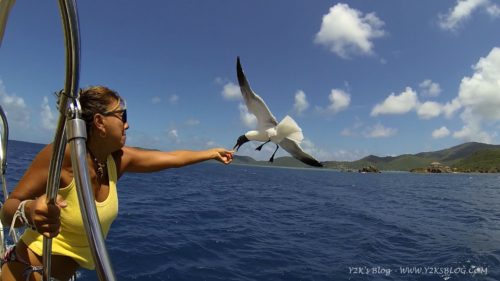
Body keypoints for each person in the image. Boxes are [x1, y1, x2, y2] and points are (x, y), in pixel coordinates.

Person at [0, 85, 234, 281]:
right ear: (100, 122)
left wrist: (211, 153)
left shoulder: (116, 160)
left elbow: (171, 158)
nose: (127, 124)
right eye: (123, 116)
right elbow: (8, 209)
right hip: (24, 273)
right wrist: (30, 211)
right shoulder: (62, 154)